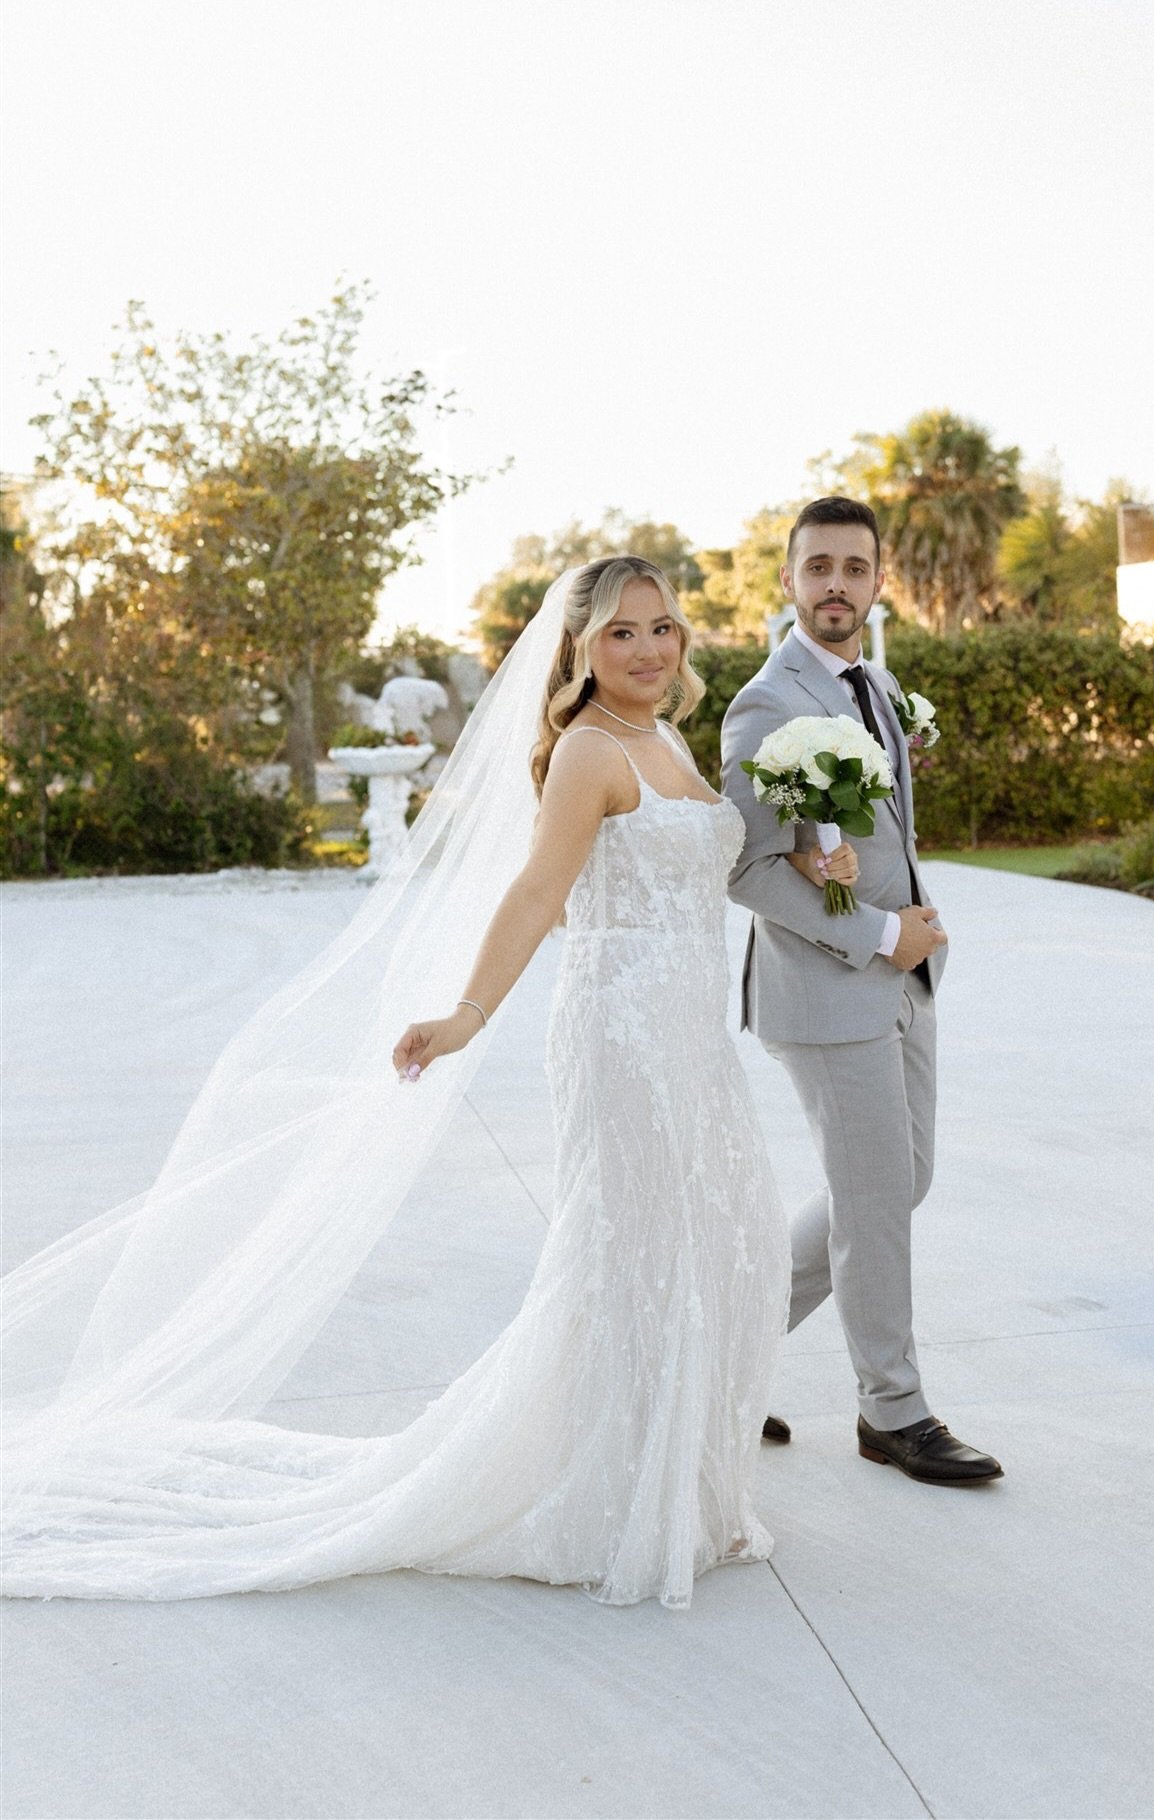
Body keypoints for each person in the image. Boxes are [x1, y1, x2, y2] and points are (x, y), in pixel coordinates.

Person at [2, 557, 855, 1610]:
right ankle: (610, 1491)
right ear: (580, 649)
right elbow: (540, 888)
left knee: (720, 1237)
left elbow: (700, 865)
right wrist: (467, 1012)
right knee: (634, 1246)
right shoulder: (590, 747)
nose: (648, 649)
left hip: (689, 1030)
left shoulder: (667, 737)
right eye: (622, 633)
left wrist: (813, 860)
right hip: (622, 1024)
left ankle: (675, 1477)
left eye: (664, 628)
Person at [721, 497, 1003, 1486]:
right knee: (876, 1196)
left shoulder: (874, 686)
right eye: (817, 567)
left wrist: (905, 935)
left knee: (894, 1183)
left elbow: (862, 839)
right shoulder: (767, 702)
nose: (835, 583)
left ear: (878, 580)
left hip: (906, 976)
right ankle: (893, 1409)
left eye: (853, 566)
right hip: (828, 984)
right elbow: (748, 867)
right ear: (790, 581)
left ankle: (722, 1348)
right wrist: (881, 932)